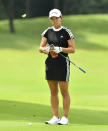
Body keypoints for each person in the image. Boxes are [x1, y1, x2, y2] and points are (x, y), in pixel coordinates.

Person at [39, 9, 75, 125]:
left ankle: (65, 117)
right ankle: (55, 117)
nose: (54, 20)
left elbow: (72, 49)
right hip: (50, 63)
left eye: (56, 18)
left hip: (63, 64)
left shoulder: (66, 32)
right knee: (53, 91)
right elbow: (41, 47)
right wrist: (48, 50)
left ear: (61, 18)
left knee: (64, 91)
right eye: (52, 18)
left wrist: (60, 49)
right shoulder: (47, 31)